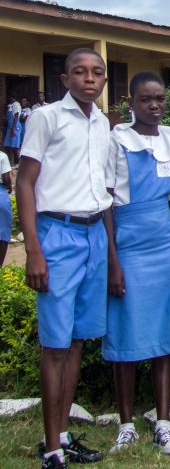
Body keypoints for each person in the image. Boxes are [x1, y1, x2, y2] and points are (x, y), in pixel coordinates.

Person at [16, 48, 111, 469]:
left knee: (75, 341)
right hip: (57, 235)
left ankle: (64, 434)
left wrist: (109, 248)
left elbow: (103, 188)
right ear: (64, 78)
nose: (89, 78)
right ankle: (50, 445)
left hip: (94, 234)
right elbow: (25, 183)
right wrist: (33, 249)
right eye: (80, 72)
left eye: (97, 72)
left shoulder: (103, 122)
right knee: (54, 345)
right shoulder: (46, 118)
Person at [103, 71, 170, 456]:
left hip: (164, 242)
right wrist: (113, 261)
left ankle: (164, 425)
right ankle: (126, 425)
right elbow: (106, 203)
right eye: (146, 99)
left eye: (160, 99)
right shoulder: (117, 140)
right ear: (131, 103)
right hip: (130, 241)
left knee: (162, 333)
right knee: (127, 332)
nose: (154, 105)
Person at [0, 149, 13, 266]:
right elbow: (6, 178)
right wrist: (9, 187)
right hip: (0, 195)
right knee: (3, 232)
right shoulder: (2, 156)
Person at [3, 94, 22, 167]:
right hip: (10, 127)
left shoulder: (16, 104)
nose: (9, 99)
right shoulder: (10, 106)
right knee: (10, 146)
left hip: (15, 127)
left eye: (10, 98)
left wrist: (13, 129)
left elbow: (16, 117)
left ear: (13, 98)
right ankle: (12, 163)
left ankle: (20, 163)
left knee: (15, 146)